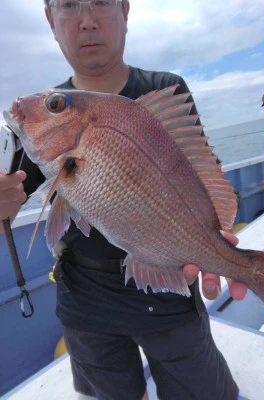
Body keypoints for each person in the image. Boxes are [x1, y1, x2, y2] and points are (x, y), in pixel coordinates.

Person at [0, 1, 248, 399]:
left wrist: (215, 238)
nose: (87, 21)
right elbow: (12, 198)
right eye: (68, 5)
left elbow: (202, 169)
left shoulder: (164, 89)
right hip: (86, 298)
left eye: (101, 1)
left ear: (125, 10)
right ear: (50, 19)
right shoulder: (48, 122)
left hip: (169, 287)